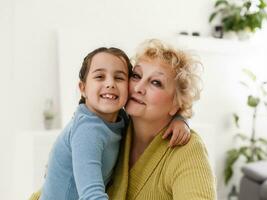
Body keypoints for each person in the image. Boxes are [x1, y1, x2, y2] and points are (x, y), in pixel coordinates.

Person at [31, 47, 189, 200]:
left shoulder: (120, 119)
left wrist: (179, 120)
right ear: (83, 88)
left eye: (119, 78)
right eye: (100, 76)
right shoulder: (88, 131)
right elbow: (91, 194)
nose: (110, 84)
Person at [107, 39, 216, 200]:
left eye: (156, 83)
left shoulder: (188, 150)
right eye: (136, 76)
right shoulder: (112, 130)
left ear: (176, 104)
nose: (138, 88)